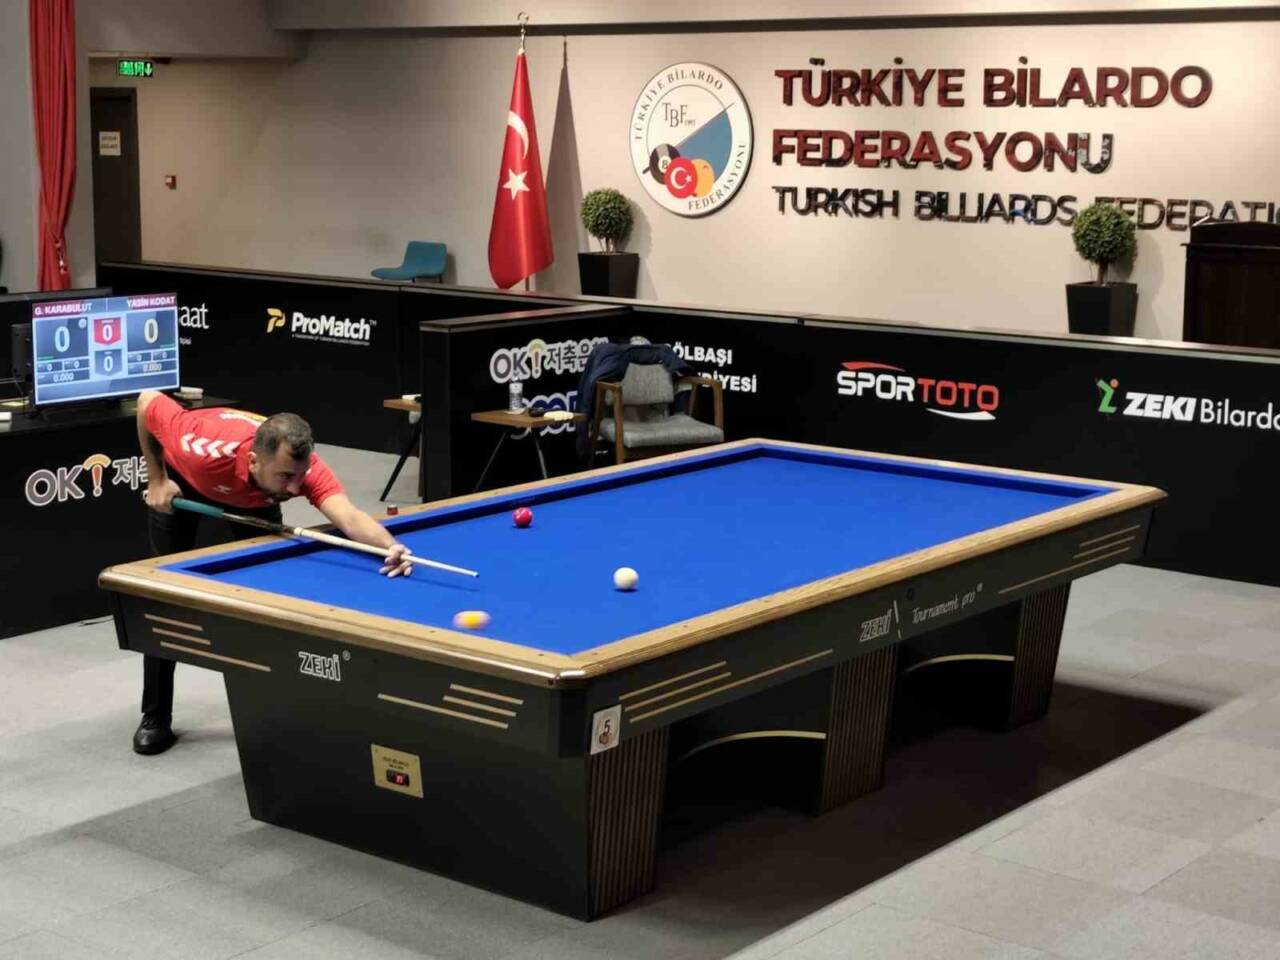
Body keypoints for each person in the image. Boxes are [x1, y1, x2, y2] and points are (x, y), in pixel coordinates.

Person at [132, 390, 412, 755]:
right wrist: (157, 478)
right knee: (163, 602)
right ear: (253, 461)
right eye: (286, 476)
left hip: (256, 502)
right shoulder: (197, 445)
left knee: (269, 603)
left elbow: (349, 517)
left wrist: (390, 547)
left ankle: (275, 710)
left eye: (301, 476)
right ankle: (155, 715)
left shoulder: (300, 470)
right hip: (184, 487)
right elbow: (147, 401)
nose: (296, 488)